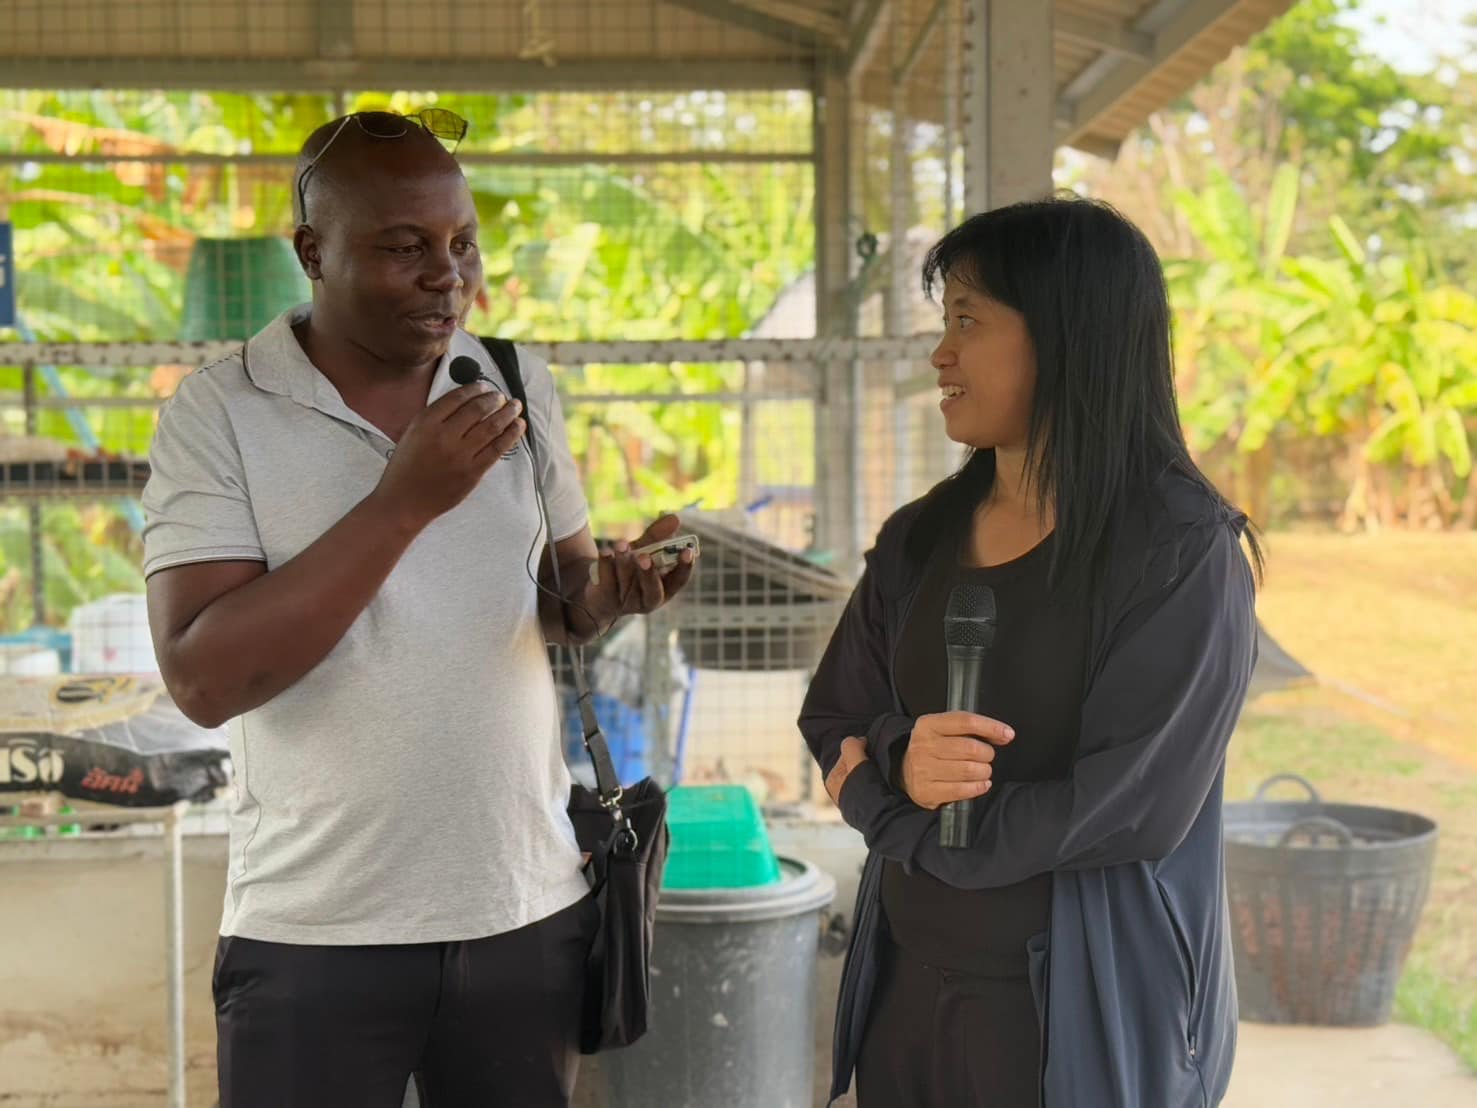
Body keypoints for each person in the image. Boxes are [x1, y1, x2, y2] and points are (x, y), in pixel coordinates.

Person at [142, 109, 694, 1108]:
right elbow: (204, 679)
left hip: (524, 906)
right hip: (316, 926)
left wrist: (612, 591)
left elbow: (559, 598)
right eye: (405, 248)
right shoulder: (221, 410)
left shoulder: (512, 379)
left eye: (462, 243)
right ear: (313, 251)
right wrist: (402, 504)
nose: (449, 276)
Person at [800, 196, 1260, 1108]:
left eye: (968, 321)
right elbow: (836, 717)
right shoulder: (921, 536)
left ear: (1066, 335)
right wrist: (899, 752)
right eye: (945, 323)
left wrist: (888, 814)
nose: (941, 355)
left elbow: (1124, 811)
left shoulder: (1179, 552)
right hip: (906, 995)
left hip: (1078, 1014)